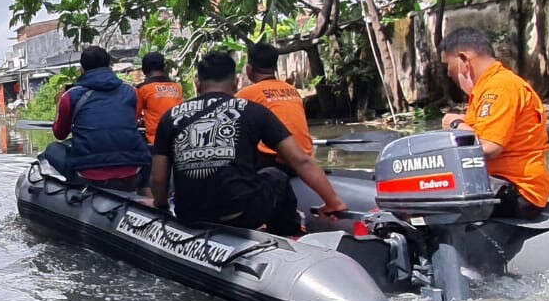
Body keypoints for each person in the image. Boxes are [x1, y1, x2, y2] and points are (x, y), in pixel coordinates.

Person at [151, 50, 347, 235]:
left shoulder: (170, 117)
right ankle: (288, 234)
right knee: (275, 175)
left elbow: (159, 179)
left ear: (197, 83)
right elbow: (301, 161)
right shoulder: (252, 110)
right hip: (239, 215)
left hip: (189, 215)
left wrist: (161, 208)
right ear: (236, 83)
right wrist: (333, 201)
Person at [439, 26, 549, 218]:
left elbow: (490, 147)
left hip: (516, 190)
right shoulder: (488, 88)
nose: (449, 74)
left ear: (463, 60)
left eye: (448, 66)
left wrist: (456, 124)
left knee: (431, 192)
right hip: (499, 183)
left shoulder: (499, 87)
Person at [43, 46, 154, 191]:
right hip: (132, 171)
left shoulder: (71, 96)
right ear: (109, 66)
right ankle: (146, 189)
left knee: (52, 149)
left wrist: (60, 106)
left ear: (82, 69)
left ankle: (74, 190)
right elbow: (129, 122)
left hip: (88, 174)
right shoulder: (131, 91)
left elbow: (60, 134)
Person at [238, 41, 315, 165]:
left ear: (249, 69)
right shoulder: (293, 90)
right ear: (275, 68)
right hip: (305, 155)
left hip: (274, 160)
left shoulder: (245, 95)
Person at [134, 51, 184, 144]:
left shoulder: (142, 89)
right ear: (164, 67)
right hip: (180, 138)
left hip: (157, 140)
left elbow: (134, 115)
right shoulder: (176, 87)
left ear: (144, 69)